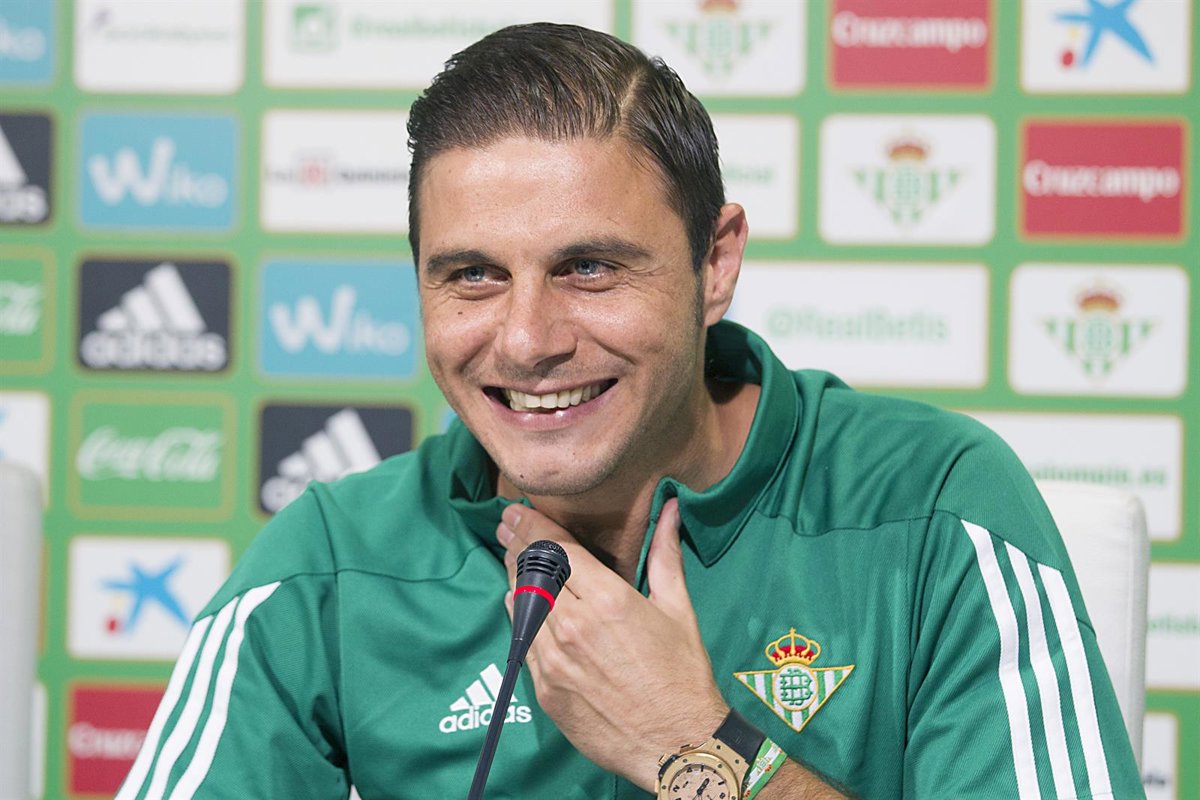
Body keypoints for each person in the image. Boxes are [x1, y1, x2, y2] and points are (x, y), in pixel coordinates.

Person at [116, 23, 1144, 800]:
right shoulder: (328, 564)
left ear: (715, 262)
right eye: (472, 275)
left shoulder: (933, 507)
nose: (527, 339)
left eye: (590, 267)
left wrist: (697, 744)